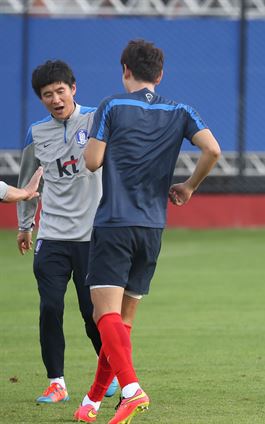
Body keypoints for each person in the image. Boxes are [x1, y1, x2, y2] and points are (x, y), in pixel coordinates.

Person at [73, 39, 221, 424]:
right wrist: (188, 186)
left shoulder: (112, 105)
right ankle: (91, 401)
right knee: (120, 324)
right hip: (153, 227)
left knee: (101, 313)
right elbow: (213, 150)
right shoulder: (181, 109)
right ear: (160, 74)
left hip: (114, 223)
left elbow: (91, 162)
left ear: (125, 69)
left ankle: (132, 390)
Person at [16, 60, 117, 404]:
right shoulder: (36, 132)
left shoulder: (96, 120)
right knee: (50, 307)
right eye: (48, 94)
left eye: (61, 90)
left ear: (73, 89)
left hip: (93, 236)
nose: (56, 99)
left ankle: (111, 375)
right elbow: (27, 181)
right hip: (52, 235)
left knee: (93, 313)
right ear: (41, 99)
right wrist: (24, 224)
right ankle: (56, 382)